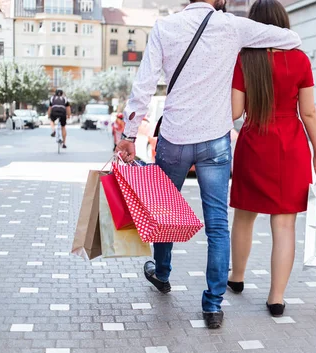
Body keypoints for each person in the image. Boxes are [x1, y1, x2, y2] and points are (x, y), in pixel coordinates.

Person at [115, 0, 301, 329]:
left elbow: (143, 86)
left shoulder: (164, 27)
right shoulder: (232, 25)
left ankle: (162, 273)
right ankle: (213, 305)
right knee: (217, 225)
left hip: (173, 139)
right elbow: (290, 38)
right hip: (215, 140)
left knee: (165, 211)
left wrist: (129, 135)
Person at [227, 0, 316, 317]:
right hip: (292, 147)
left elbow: (235, 112)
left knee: (244, 217)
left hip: (255, 144)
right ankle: (276, 297)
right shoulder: (300, 59)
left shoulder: (244, 60)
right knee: (284, 225)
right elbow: (308, 111)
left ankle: (237, 277)